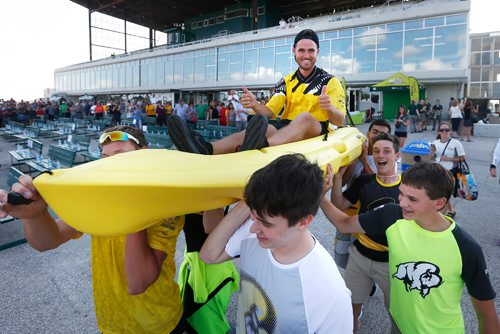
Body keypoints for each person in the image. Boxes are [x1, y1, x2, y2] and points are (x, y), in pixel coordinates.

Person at [0, 126, 185, 333]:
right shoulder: (98, 200)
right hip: (110, 323)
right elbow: (47, 242)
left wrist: (133, 204)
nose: (110, 164)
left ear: (144, 154)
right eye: (105, 157)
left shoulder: (164, 205)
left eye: (120, 155)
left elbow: (138, 283)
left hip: (160, 324)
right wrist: (35, 216)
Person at [321, 161, 499, 333]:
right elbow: (344, 223)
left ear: (439, 203)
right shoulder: (392, 215)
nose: (402, 203)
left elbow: (487, 319)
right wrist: (321, 197)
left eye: (412, 199)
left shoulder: (466, 248)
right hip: (399, 326)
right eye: (401, 194)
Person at [200, 154, 353, 333]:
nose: (254, 228)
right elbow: (209, 255)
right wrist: (248, 203)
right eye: (253, 216)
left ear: (303, 222)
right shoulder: (255, 233)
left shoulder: (328, 295)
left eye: (266, 223)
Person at [167, 29, 346, 155]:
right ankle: (206, 148)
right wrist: (255, 104)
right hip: (288, 129)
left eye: (311, 50)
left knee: (305, 118)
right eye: (301, 50)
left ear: (318, 52)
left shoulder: (330, 81)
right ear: (294, 51)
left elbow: (340, 120)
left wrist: (329, 108)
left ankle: (261, 146)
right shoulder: (285, 82)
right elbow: (270, 112)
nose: (306, 55)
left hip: (317, 130)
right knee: (267, 127)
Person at [329, 133, 401, 333]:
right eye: (376, 151)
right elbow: (339, 204)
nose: (380, 155)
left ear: (397, 155)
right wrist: (337, 178)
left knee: (397, 312)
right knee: (351, 306)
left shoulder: (407, 187)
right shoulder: (364, 182)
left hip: (392, 262)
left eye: (386, 150)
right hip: (359, 257)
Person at [429, 122, 465, 218]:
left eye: (446, 130)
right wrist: (432, 153)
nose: (444, 132)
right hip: (437, 171)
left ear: (450, 131)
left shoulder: (456, 143)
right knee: (441, 192)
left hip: (450, 172)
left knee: (443, 192)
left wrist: (449, 159)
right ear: (439, 132)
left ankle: (441, 215)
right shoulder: (434, 143)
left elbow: (462, 159)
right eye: (442, 130)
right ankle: (451, 210)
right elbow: (431, 158)